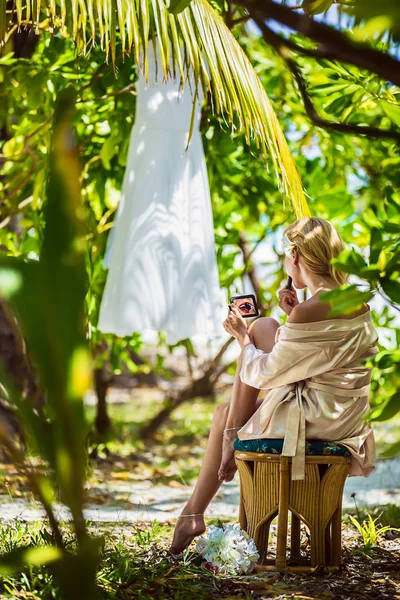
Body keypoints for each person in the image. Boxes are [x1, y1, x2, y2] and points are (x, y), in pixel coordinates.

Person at [169, 217, 379, 555]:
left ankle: (200, 498)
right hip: (343, 412)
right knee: (265, 325)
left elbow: (266, 374)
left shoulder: (309, 311)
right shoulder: (352, 300)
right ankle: (196, 504)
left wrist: (241, 338)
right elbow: (321, 355)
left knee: (229, 401)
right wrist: (293, 313)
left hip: (316, 418)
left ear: (294, 255)